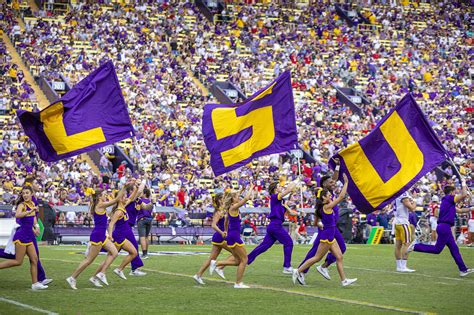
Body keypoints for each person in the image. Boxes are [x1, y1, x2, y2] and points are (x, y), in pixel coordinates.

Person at [293, 174, 357, 287]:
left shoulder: (323, 206)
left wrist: (320, 223)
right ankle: (298, 271)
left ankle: (343, 280)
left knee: (339, 256)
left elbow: (315, 222)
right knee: (317, 257)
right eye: (328, 196)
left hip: (331, 233)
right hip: (327, 235)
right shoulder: (327, 206)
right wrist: (346, 183)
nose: (331, 196)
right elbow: (341, 196)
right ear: (324, 197)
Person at [408, 182, 473, 277]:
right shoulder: (449, 198)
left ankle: (463, 269)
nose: (456, 193)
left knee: (454, 249)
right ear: (451, 192)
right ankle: (415, 246)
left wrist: (472, 208)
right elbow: (463, 195)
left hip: (444, 227)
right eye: (455, 192)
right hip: (445, 227)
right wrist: (463, 183)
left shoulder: (447, 201)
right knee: (437, 250)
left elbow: (460, 210)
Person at [298, 159, 346, 280]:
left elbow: (334, 178)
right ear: (324, 184)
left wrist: (338, 166)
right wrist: (318, 222)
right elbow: (317, 209)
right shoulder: (322, 192)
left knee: (342, 248)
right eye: (330, 182)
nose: (333, 183)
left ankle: (324, 266)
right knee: (315, 252)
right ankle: (301, 271)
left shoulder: (329, 191)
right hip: (327, 227)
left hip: (332, 226)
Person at [0, 178, 52, 286]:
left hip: (29, 235)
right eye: (23, 193)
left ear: (31, 193)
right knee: (18, 261)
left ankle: (35, 283)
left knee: (34, 259)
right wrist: (29, 212)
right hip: (22, 235)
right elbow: (17, 215)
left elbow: (33, 218)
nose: (25, 195)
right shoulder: (22, 205)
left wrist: (36, 226)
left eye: (27, 193)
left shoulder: (32, 204)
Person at [66, 188, 121, 290]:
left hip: (102, 236)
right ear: (100, 196)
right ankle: (72, 277)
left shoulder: (100, 205)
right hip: (97, 236)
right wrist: (125, 187)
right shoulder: (100, 205)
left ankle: (99, 275)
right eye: (104, 194)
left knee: (114, 252)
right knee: (89, 261)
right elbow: (116, 199)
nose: (106, 196)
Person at [247, 181, 298, 274]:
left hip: (274, 225)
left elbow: (290, 212)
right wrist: (297, 181)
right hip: (275, 225)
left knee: (264, 246)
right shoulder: (275, 196)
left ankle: (247, 259)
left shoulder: (281, 201)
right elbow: (288, 190)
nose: (280, 187)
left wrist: (298, 213)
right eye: (278, 186)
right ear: (275, 189)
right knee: (289, 242)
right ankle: (287, 267)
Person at [210, 184, 255, 288]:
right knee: (244, 260)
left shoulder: (231, 207)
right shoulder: (234, 207)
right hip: (234, 237)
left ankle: (217, 264)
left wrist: (225, 230)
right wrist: (251, 188)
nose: (238, 198)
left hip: (231, 236)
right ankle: (238, 283)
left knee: (237, 261)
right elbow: (246, 199)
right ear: (232, 200)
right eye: (236, 197)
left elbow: (226, 220)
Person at [108, 179, 143, 280]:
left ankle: (117, 270)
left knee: (112, 255)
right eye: (123, 196)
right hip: (120, 232)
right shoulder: (120, 208)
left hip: (123, 231)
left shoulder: (124, 203)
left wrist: (135, 186)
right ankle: (121, 269)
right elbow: (111, 224)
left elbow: (133, 195)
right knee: (112, 255)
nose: (125, 197)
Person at [193, 192, 230, 285]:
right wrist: (222, 232)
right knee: (238, 254)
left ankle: (198, 275)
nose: (225, 199)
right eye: (223, 198)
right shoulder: (219, 211)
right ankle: (219, 267)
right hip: (221, 237)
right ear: (220, 200)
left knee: (211, 258)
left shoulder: (223, 209)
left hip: (219, 237)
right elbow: (213, 225)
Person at [124, 179, 146, 276]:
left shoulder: (137, 200)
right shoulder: (130, 198)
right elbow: (140, 191)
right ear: (130, 192)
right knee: (134, 247)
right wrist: (144, 179)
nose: (136, 190)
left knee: (114, 249)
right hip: (125, 225)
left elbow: (146, 207)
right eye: (134, 189)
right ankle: (134, 269)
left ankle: (92, 246)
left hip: (128, 226)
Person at [393, 192, 417, 272]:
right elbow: (411, 208)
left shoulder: (397, 193)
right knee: (407, 244)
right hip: (402, 221)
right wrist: (414, 202)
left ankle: (399, 266)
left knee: (398, 245)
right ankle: (403, 266)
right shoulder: (403, 193)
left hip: (397, 221)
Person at [136, 187, 154, 259]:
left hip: (142, 219)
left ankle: (144, 254)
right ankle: (146, 252)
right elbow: (153, 212)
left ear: (144, 193)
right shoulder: (150, 201)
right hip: (149, 219)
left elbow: (137, 209)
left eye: (141, 193)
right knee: (146, 237)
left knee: (142, 237)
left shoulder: (139, 201)